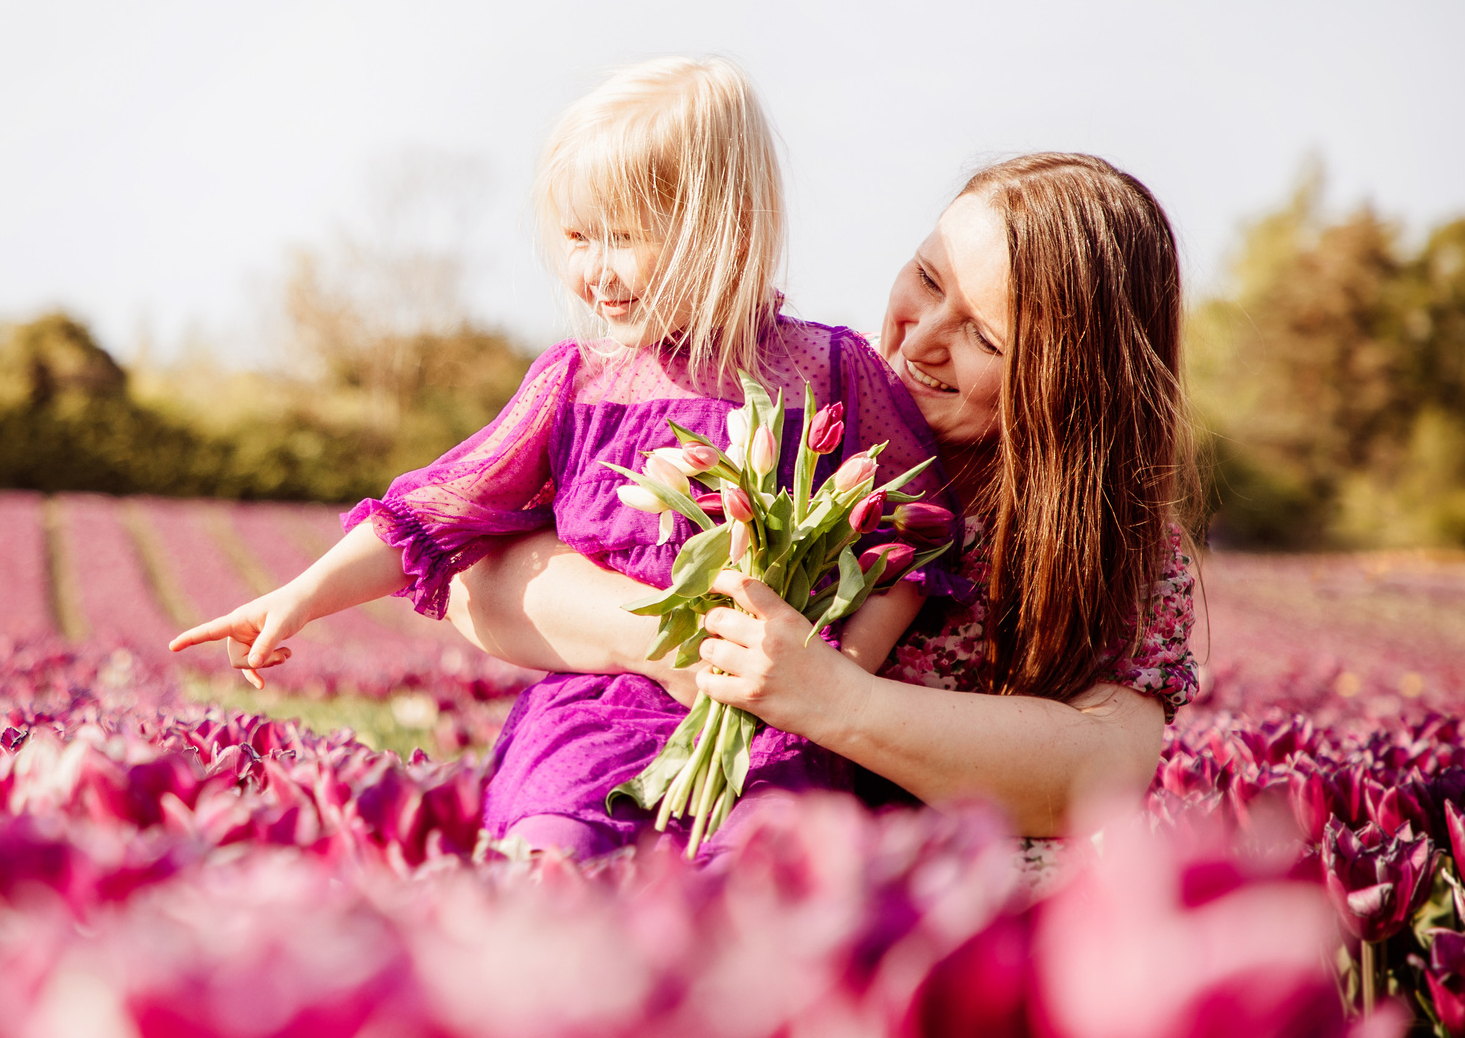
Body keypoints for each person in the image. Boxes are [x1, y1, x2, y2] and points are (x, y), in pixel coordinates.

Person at [169, 58, 964, 853]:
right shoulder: (580, 384)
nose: (592, 270)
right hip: (597, 709)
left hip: (772, 719)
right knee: (558, 842)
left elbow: (913, 535)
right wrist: (301, 595)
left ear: (731, 226)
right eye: (579, 237)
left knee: (761, 867)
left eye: (623, 236)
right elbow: (440, 505)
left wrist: (837, 676)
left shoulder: (827, 372)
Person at [441, 152, 1200, 841]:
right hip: (623, 809)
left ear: (1077, 385)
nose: (920, 337)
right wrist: (701, 649)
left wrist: (831, 697)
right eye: (928, 279)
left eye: (985, 339)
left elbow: (1100, 769)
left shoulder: (1117, 543)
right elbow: (480, 572)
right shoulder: (796, 409)